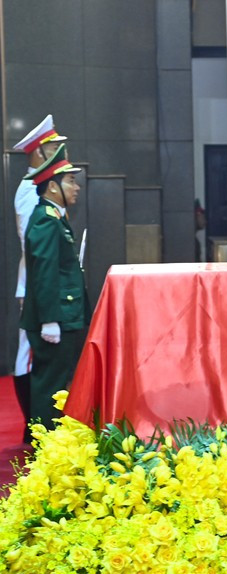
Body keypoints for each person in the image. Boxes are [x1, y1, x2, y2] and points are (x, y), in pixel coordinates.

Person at [20, 144, 90, 430]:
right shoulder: (46, 221)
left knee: (58, 381)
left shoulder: (55, 217)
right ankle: (45, 443)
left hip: (63, 313)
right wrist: (49, 320)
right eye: (70, 181)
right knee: (51, 385)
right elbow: (44, 273)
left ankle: (50, 440)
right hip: (56, 317)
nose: (76, 187)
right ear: (52, 186)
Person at [11, 114, 68, 440]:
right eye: (54, 146)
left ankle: (35, 422)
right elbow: (31, 243)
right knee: (29, 354)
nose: (61, 151)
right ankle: (31, 423)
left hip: (42, 281)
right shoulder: (29, 190)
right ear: (39, 152)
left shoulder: (42, 186)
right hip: (34, 283)